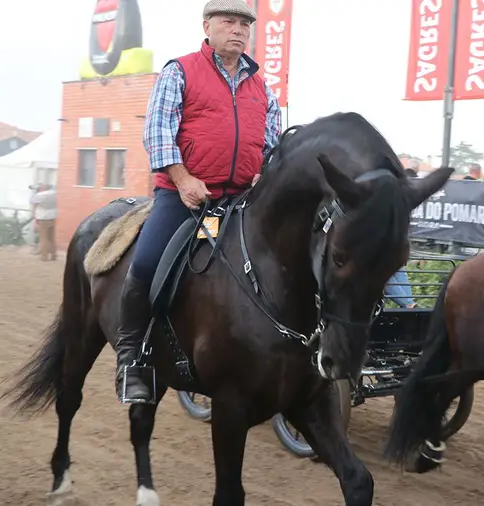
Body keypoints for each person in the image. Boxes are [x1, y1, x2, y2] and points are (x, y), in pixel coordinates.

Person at [115, 0, 282, 404]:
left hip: (241, 200)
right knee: (148, 261)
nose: (239, 29)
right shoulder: (180, 70)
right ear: (207, 26)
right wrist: (183, 178)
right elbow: (158, 130)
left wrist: (266, 169)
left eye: (245, 23)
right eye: (229, 21)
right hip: (185, 198)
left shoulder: (262, 86)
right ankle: (132, 358)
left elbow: (273, 138)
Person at [30, 183, 57, 261]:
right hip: (52, 217)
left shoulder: (40, 195)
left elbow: (32, 201)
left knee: (43, 239)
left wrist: (35, 191)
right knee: (51, 238)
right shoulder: (54, 194)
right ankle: (53, 255)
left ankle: (44, 257)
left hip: (42, 218)